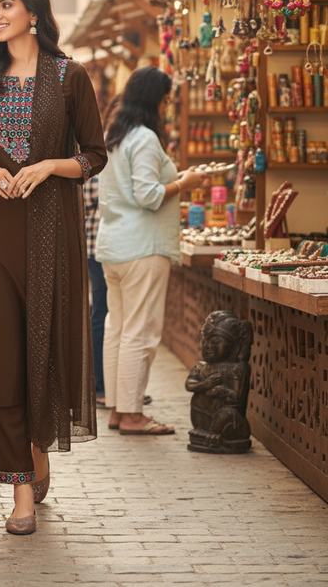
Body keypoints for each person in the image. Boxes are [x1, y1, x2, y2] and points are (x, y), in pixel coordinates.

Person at [0, 0, 107, 535]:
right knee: (0, 356)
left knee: (44, 347)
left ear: (34, 13)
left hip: (49, 234)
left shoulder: (69, 77)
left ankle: (39, 444)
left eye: (7, 4)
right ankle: (20, 491)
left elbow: (94, 155)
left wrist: (50, 166)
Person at [95, 66, 204, 436]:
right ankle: (131, 414)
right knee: (140, 332)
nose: (167, 106)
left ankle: (118, 408)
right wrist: (184, 183)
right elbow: (148, 196)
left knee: (118, 328)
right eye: (166, 99)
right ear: (154, 99)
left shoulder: (114, 134)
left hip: (115, 244)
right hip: (142, 246)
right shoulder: (143, 138)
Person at [83, 174, 107, 409]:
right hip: (100, 246)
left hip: (97, 246)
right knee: (101, 314)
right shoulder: (94, 167)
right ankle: (100, 386)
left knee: (102, 313)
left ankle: (108, 386)